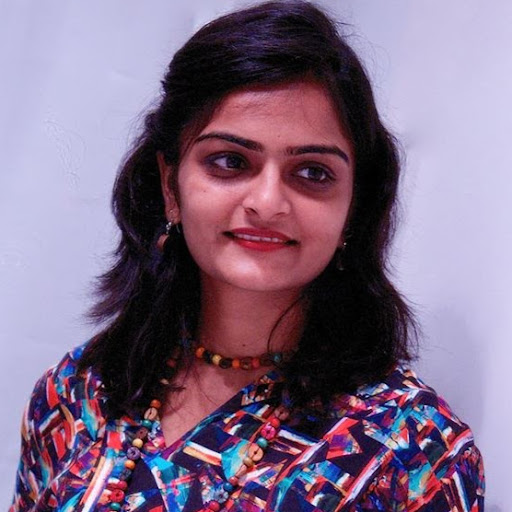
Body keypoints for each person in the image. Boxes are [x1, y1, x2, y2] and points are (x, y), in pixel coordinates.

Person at [10, 1, 484, 511]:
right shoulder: (78, 394)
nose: (267, 202)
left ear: (355, 207)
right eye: (230, 161)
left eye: (313, 172)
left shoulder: (414, 450)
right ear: (171, 186)